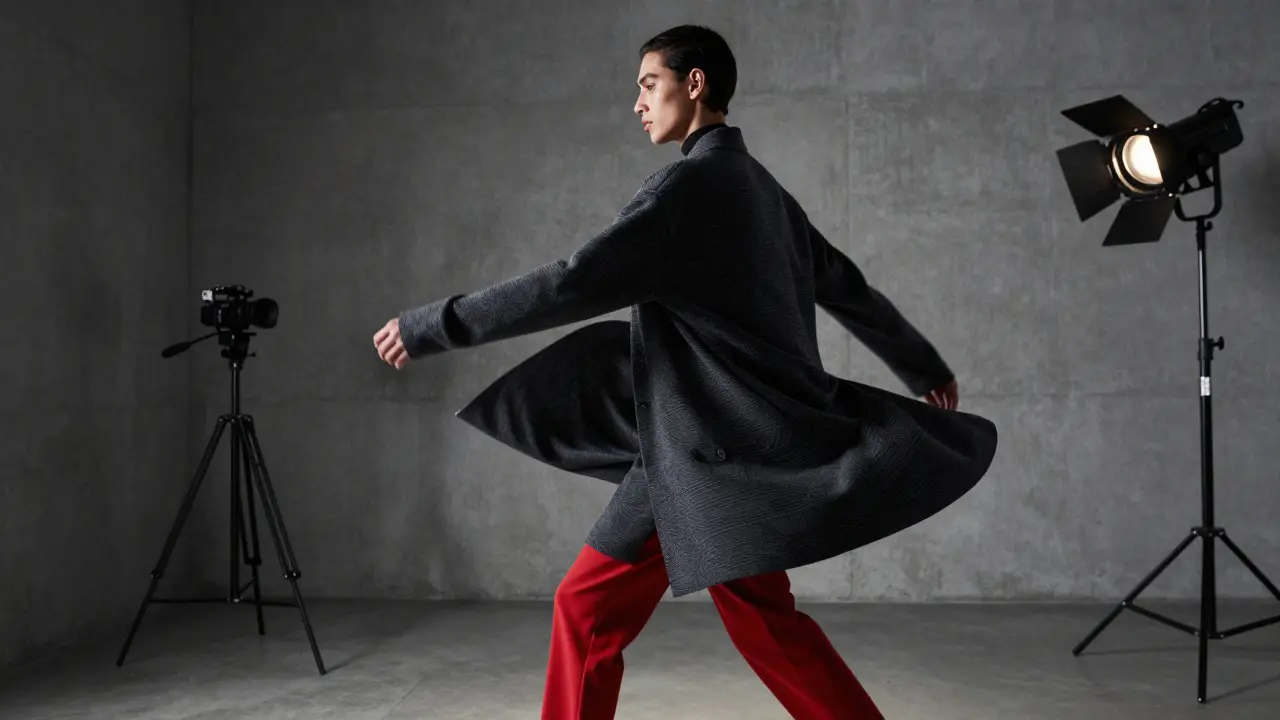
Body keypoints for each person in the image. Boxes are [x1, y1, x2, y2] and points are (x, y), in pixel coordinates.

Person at [374, 24, 996, 720]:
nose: (638, 104)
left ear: (692, 83)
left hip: (702, 455)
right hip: (748, 451)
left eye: (648, 84)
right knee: (766, 622)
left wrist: (436, 325)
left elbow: (569, 283)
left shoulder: (685, 191)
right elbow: (845, 284)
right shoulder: (765, 192)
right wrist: (921, 364)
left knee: (586, 609)